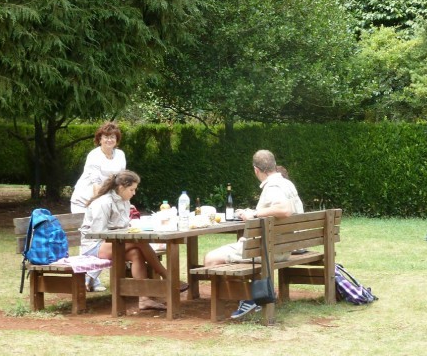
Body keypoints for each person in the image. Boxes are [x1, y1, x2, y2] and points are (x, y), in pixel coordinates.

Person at [203, 149, 304, 319]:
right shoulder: (287, 183)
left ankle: (251, 297)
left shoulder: (272, 186)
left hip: (268, 250)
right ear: (273, 164)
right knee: (243, 245)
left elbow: (284, 209)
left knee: (210, 259)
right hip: (284, 247)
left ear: (256, 170)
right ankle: (252, 294)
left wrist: (255, 214)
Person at [79, 170, 181, 311]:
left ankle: (144, 299)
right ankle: (167, 275)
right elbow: (97, 233)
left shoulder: (125, 202)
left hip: (114, 243)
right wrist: (124, 235)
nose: (134, 193)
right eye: (132, 189)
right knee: (138, 242)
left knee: (136, 253)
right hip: (94, 245)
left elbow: (124, 226)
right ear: (121, 187)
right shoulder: (103, 203)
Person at [70, 122, 127, 291]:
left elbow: (120, 182)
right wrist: (103, 205)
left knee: (107, 238)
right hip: (85, 201)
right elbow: (96, 186)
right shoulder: (94, 156)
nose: (109, 140)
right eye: (106, 137)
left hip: (105, 201)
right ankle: (86, 279)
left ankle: (92, 278)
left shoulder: (120, 155)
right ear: (99, 139)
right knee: (91, 239)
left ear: (117, 140)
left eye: (113, 137)